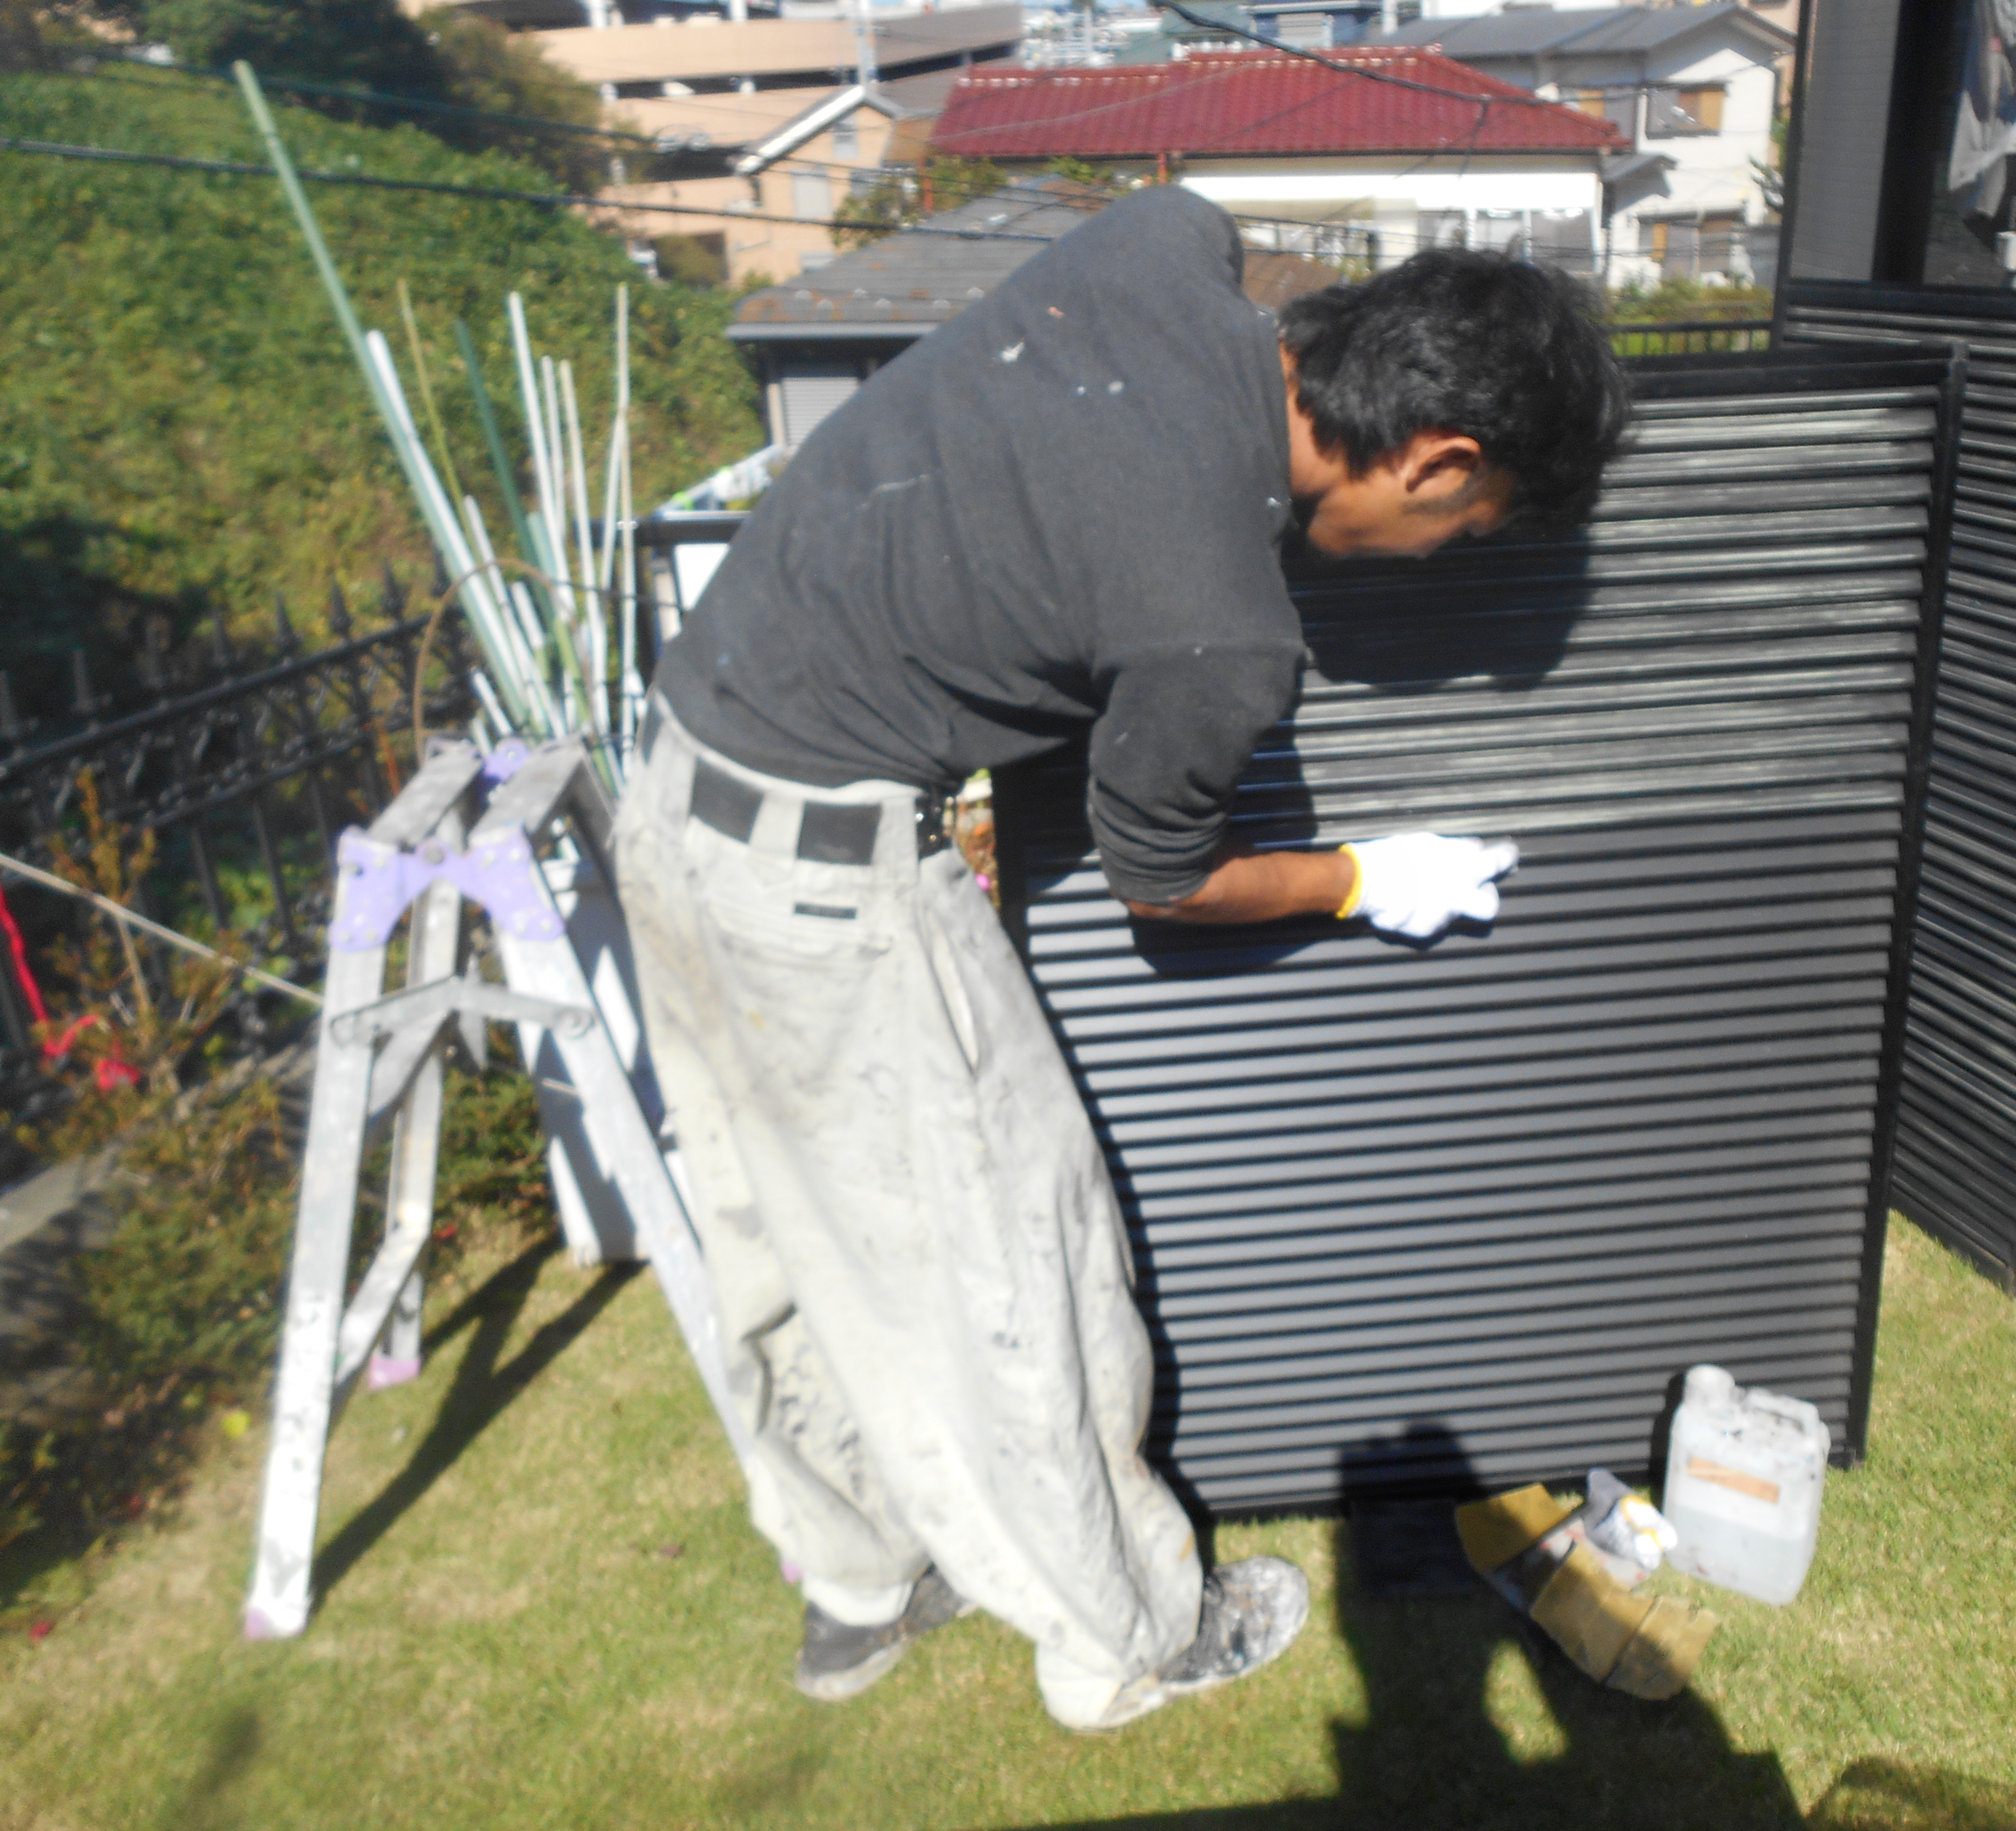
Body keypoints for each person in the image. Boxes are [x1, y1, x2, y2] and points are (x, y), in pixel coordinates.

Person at [615, 186, 1626, 1732]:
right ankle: (1131, 1637)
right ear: (1437, 459)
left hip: (679, 781)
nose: (1428, 567)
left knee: (781, 1235)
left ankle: (862, 1580)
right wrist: (1364, 875)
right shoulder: (1217, 624)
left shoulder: (1155, 252)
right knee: (1018, 1259)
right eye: (1457, 532)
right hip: (823, 886)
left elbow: (1223, 238)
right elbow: (1168, 883)